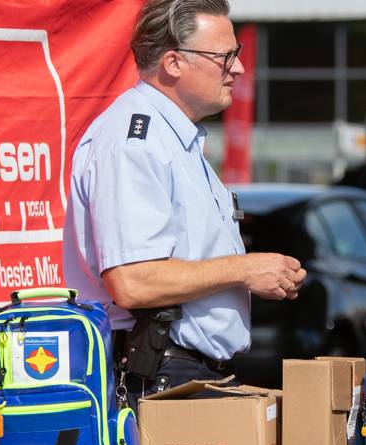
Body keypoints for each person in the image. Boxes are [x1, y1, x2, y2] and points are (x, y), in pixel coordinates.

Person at [62, 0, 306, 401]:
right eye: (225, 56)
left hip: (184, 374)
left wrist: (256, 271)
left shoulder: (175, 138)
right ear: (173, 63)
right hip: (159, 375)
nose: (238, 69)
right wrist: (244, 269)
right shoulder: (134, 141)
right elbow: (134, 281)